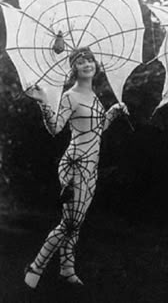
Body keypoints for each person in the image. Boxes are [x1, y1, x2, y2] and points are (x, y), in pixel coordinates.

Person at [24, 46, 129, 288]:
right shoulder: (70, 96)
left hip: (91, 166)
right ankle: (36, 267)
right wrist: (43, 103)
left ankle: (67, 270)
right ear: (73, 68)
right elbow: (56, 128)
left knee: (76, 221)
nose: (87, 65)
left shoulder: (93, 96)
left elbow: (96, 130)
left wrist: (113, 111)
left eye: (90, 60)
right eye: (81, 62)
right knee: (69, 223)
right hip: (75, 164)